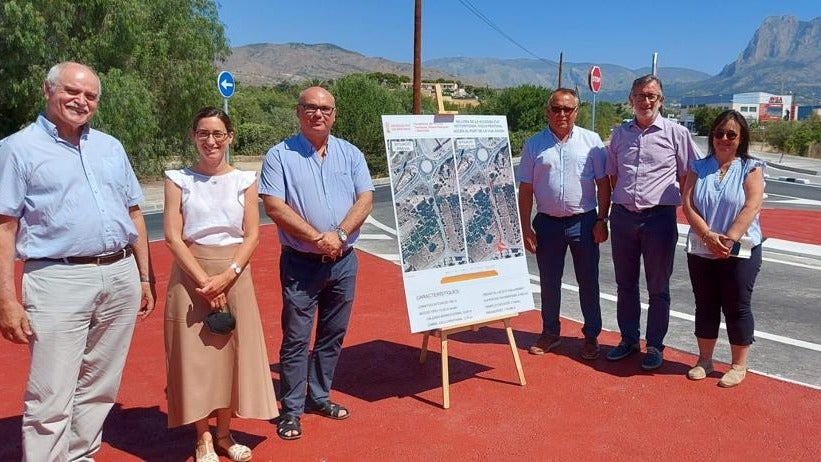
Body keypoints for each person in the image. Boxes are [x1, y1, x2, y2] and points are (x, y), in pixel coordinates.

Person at [0, 61, 154, 461]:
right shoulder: (17, 148)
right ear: (47, 90)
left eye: (90, 96)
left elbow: (133, 214)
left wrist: (144, 278)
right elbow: (5, 226)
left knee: (100, 386)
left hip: (119, 274)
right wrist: (6, 299)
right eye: (72, 91)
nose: (81, 101)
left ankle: (80, 456)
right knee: (50, 393)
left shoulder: (110, 146)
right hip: (57, 279)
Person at [163, 107, 278, 462]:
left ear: (229, 137)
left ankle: (225, 434)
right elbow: (172, 236)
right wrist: (205, 282)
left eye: (217, 134)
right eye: (203, 133)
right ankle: (203, 439)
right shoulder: (177, 179)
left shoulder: (244, 179)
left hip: (234, 275)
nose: (210, 141)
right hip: (191, 277)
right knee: (196, 360)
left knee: (231, 357)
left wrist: (227, 276)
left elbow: (252, 234)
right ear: (193, 136)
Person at [259, 86, 373, 440]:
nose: (318, 114)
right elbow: (275, 206)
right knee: (296, 338)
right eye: (310, 107)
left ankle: (318, 397)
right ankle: (291, 410)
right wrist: (317, 238)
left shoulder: (351, 154)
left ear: (334, 114)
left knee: (332, 335)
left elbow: (365, 199)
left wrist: (338, 235)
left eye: (325, 109)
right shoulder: (279, 156)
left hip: (343, 262)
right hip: (301, 263)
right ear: (298, 112)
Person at [605, 74, 699, 370]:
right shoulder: (620, 135)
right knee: (625, 284)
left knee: (658, 287)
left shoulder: (676, 133)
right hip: (622, 217)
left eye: (652, 96)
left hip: (659, 219)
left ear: (661, 100)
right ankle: (628, 339)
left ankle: (655, 345)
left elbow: (688, 177)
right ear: (630, 99)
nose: (646, 101)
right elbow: (612, 176)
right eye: (640, 95)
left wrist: (693, 216)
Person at [517, 88, 610, 360]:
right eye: (556, 108)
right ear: (548, 111)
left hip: (584, 222)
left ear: (576, 112)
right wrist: (526, 228)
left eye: (567, 109)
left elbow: (604, 185)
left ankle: (592, 336)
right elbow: (526, 189)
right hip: (547, 224)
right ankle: (550, 332)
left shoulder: (592, 142)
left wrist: (602, 219)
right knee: (549, 281)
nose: (561, 114)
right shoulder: (534, 145)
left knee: (588, 281)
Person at [681, 110, 764, 388]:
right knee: (705, 303)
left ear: (741, 139)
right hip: (702, 248)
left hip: (739, 250)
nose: (724, 139)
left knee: (737, 305)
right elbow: (688, 203)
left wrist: (728, 239)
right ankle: (704, 360)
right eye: (719, 133)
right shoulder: (698, 166)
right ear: (712, 136)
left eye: (731, 134)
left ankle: (739, 365)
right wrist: (706, 236)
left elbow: (752, 204)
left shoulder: (750, 167)